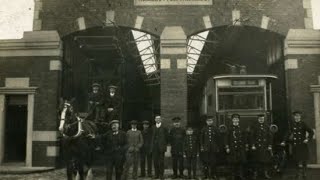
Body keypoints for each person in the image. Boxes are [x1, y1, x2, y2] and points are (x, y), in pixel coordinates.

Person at [281, 111, 314, 178]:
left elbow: (311, 132)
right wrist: (284, 141)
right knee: (296, 160)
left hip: (302, 145)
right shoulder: (292, 124)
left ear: (300, 117)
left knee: (304, 160)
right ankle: (297, 173)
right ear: (294, 117)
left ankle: (304, 173)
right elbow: (287, 133)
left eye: (298, 116)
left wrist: (307, 139)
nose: (297, 117)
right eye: (295, 116)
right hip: (295, 145)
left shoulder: (303, 124)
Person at [250, 114, 273, 179]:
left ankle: (265, 174)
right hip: (257, 146)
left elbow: (270, 137)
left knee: (265, 161)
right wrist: (253, 145)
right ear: (258, 119)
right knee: (256, 161)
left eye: (262, 119)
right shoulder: (254, 126)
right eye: (260, 119)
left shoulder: (267, 126)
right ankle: (255, 174)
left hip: (265, 146)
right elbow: (252, 136)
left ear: (264, 119)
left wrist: (270, 145)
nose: (261, 120)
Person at [225, 114, 247, 180]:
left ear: (239, 120)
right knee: (233, 163)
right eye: (234, 119)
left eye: (237, 119)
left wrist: (245, 145)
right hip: (232, 148)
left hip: (240, 148)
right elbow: (226, 139)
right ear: (232, 120)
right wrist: (227, 147)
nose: (236, 120)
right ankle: (233, 176)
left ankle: (240, 175)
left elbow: (244, 138)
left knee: (241, 162)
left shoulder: (241, 128)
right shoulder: (229, 128)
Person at [150, 115, 168, 179]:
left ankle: (161, 175)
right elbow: (151, 137)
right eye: (156, 119)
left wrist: (164, 145)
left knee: (161, 162)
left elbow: (167, 137)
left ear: (161, 120)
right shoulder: (153, 127)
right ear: (155, 120)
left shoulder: (164, 127)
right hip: (154, 147)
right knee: (155, 161)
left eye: (159, 119)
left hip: (161, 147)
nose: (157, 120)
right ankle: (156, 174)